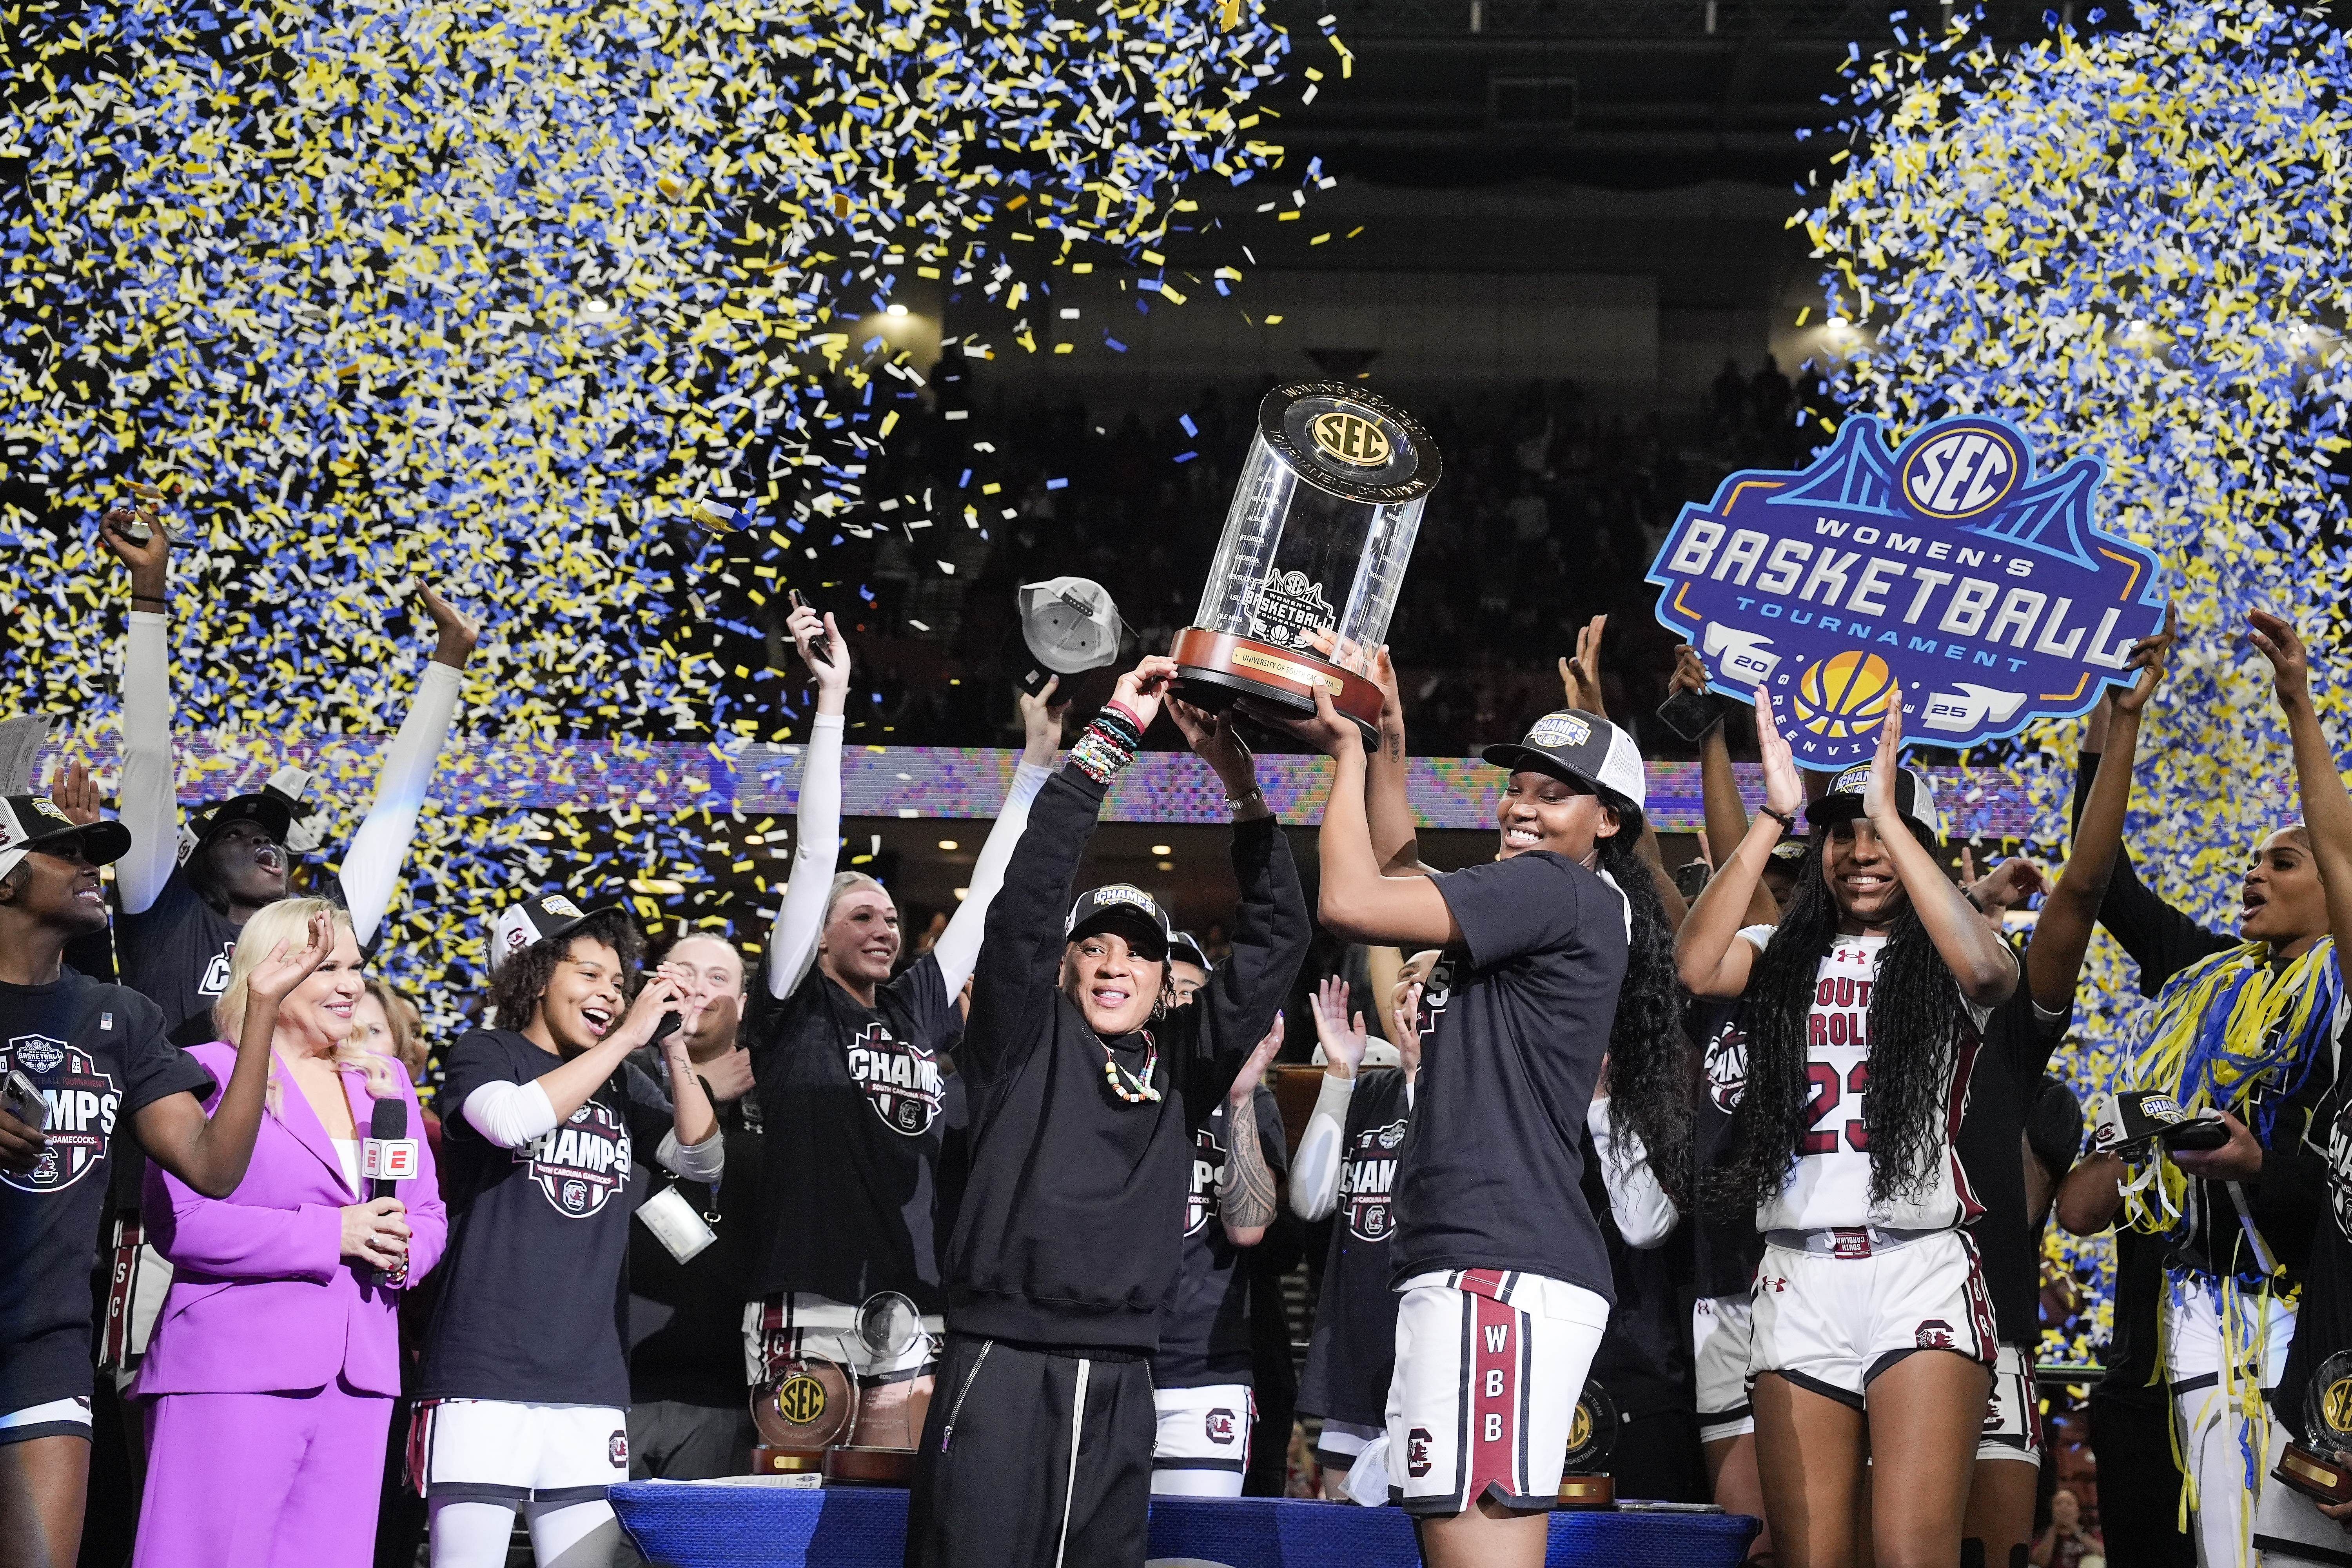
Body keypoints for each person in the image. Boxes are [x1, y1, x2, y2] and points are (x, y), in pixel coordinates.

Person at [903, 655, 1308, 1568]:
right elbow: (1026, 900)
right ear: (1066, 962)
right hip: (1002, 1358)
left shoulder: (1186, 1064)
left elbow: (1282, 933)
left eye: (1139, 951)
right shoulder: (1020, 1039)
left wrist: (1240, 785)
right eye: (1096, 945)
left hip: (1128, 1371)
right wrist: (1112, 734)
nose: (1116, 964)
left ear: (1168, 977)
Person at [1289, 660, 1682, 1568]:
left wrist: (1346, 756)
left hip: (1498, 1270)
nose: (1524, 807)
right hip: (1485, 1264)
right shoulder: (1563, 902)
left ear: (1610, 820)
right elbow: (1399, 865)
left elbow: (1352, 899)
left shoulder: (1555, 889)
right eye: (1517, 788)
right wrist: (1389, 743)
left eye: (1557, 795)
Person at [1677, 683, 2018, 1568]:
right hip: (1796, 1271)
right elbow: (1696, 961)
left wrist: (1892, 815)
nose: (1860, 851)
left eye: (1880, 831)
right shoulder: (1780, 951)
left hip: (1918, 1269)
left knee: (1910, 1552)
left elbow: (1989, 973)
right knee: (1810, 1556)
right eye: (1843, 833)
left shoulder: (1951, 952)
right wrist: (1773, 816)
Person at [2057, 610, 2352, 1568]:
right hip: (2188, 1310)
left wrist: (2265, 1166)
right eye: (2252, 860)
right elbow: (2103, 882)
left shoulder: (2347, 988)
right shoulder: (2207, 971)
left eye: (2282, 859)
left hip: (2313, 1309)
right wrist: (2115, 716)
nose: (2253, 873)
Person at [744, 600, 1063, 1429]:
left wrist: (1033, 768)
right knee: (792, 1506)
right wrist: (833, 704)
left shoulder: (917, 1008)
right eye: (862, 917)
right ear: (816, 940)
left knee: (890, 1517)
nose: (884, 927)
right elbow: (816, 856)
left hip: (913, 1301)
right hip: (811, 1296)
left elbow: (988, 898)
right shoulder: (791, 1004)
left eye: (891, 917)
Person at [0, 795, 320, 1568]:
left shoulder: (120, 1015)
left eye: (93, 852)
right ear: (5, 876)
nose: (91, 867)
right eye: (65, 851)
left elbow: (214, 1164)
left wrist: (266, 1010)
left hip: (44, 1345)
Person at [132, 897, 448, 1568]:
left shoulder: (385, 1081)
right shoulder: (203, 1071)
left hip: (360, 1376)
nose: (349, 985)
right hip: (232, 1370)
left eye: (356, 967)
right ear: (270, 969)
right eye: (325, 966)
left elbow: (427, 1214)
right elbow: (182, 1224)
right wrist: (330, 1233)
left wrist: (403, 1254)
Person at [414, 894, 722, 1568]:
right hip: (482, 1373)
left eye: (618, 983)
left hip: (590, 1380)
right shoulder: (485, 1052)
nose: (610, 995)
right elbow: (509, 1122)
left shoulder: (622, 1083)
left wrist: (670, 1050)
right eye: (588, 975)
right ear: (532, 976)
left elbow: (702, 1159)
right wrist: (624, 1043)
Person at [100, 513, 481, 1042]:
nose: (263, 843)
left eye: (269, 836)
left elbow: (398, 808)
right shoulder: (165, 914)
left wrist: (451, 655)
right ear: (193, 863)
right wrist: (149, 591)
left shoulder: (320, 932)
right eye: (235, 834)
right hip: (179, 1122)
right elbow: (147, 759)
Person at [619, 933, 762, 1550]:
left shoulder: (775, 1094)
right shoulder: (612, 1075)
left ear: (746, 1002)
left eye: (717, 978)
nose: (700, 988)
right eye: (683, 972)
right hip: (612, 1382)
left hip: (724, 1390)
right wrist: (699, 1082)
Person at [1148, 1006, 1287, 1499]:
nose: (1190, 1010)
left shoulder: (1249, 1100)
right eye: (1179, 995)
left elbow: (1249, 1230)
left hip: (1206, 1372)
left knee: (1193, 1552)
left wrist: (1242, 1096)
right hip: (1112, 1360)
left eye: (1198, 996)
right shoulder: (1121, 1085)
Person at [1294, 970, 1420, 1492]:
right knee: (1342, 1544)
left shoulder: (1480, 1093)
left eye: (1430, 980)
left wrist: (1419, 1077)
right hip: (1355, 1357)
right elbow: (1309, 1201)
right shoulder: (1367, 1093)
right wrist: (1340, 1075)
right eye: (1405, 978)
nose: (1413, 988)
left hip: (1429, 1364)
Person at [2031, 1487, 2104, 1568]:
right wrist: (2055, 1529)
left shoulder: (2090, 1533)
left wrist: (2075, 1530)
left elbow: (2102, 1554)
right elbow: (2039, 1562)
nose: (2064, 1508)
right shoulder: (2043, 1535)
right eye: (2059, 1503)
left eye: (2069, 1504)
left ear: (2078, 1512)